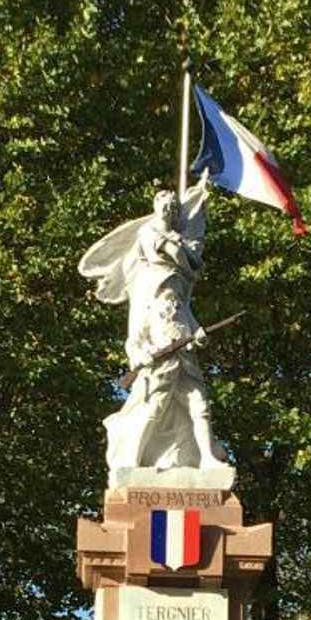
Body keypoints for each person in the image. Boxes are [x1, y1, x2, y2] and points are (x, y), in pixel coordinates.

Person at [79, 181, 225, 473]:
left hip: (184, 358)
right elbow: (135, 336)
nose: (170, 211)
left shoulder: (178, 301)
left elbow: (189, 319)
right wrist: (140, 356)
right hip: (160, 360)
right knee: (154, 409)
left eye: (173, 208)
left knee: (200, 406)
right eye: (165, 207)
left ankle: (208, 459)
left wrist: (199, 336)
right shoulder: (147, 296)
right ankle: (132, 459)